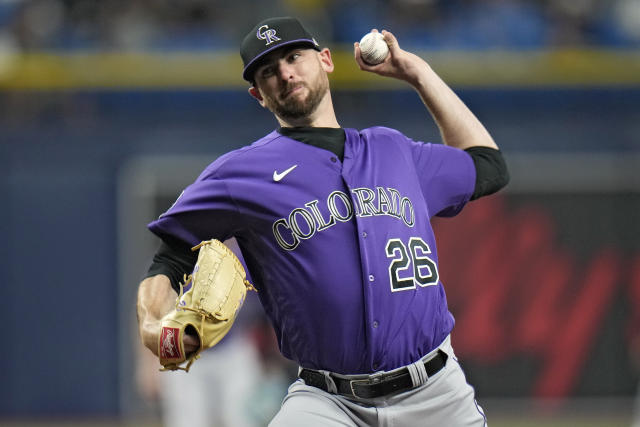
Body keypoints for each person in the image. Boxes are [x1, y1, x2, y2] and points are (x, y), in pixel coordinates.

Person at [136, 16, 509, 426]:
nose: (285, 72)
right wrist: (154, 326)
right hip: (328, 402)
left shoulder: (393, 150)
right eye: (268, 71)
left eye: (294, 56)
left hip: (436, 393)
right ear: (258, 94)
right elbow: (170, 257)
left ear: (326, 60)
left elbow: (487, 166)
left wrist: (419, 74)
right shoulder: (238, 175)